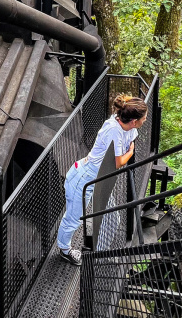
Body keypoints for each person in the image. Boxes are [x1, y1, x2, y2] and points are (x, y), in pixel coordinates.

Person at [57, 94, 148, 266]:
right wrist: (130, 152)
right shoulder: (113, 129)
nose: (145, 120)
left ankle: (97, 254)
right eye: (144, 118)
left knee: (113, 217)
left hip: (100, 180)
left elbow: (132, 135)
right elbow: (119, 161)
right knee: (73, 219)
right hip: (84, 178)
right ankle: (64, 250)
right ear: (134, 121)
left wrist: (128, 149)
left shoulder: (126, 126)